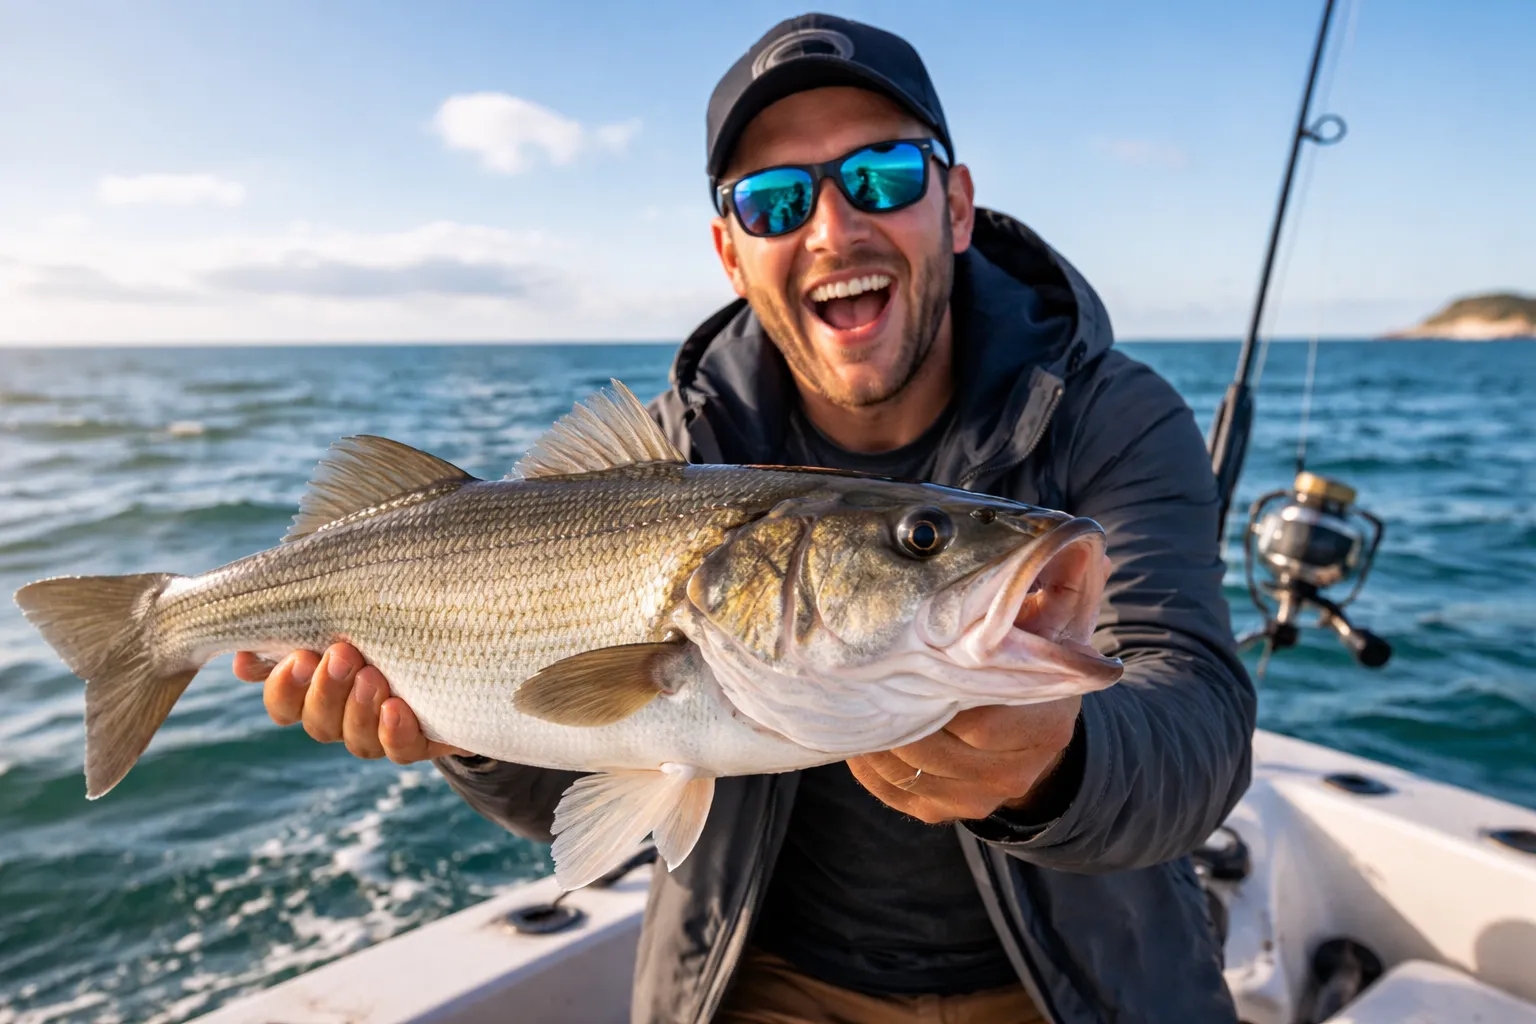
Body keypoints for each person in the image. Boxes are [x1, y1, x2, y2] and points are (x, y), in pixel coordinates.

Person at [234, 14, 1255, 1023]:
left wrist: (1057, 765)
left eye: (882, 176)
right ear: (731, 253)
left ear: (955, 205)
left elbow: (1197, 724)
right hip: (759, 981)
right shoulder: (671, 454)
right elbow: (573, 800)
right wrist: (459, 730)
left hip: (1085, 989)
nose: (834, 229)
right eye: (773, 200)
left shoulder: (1112, 417)